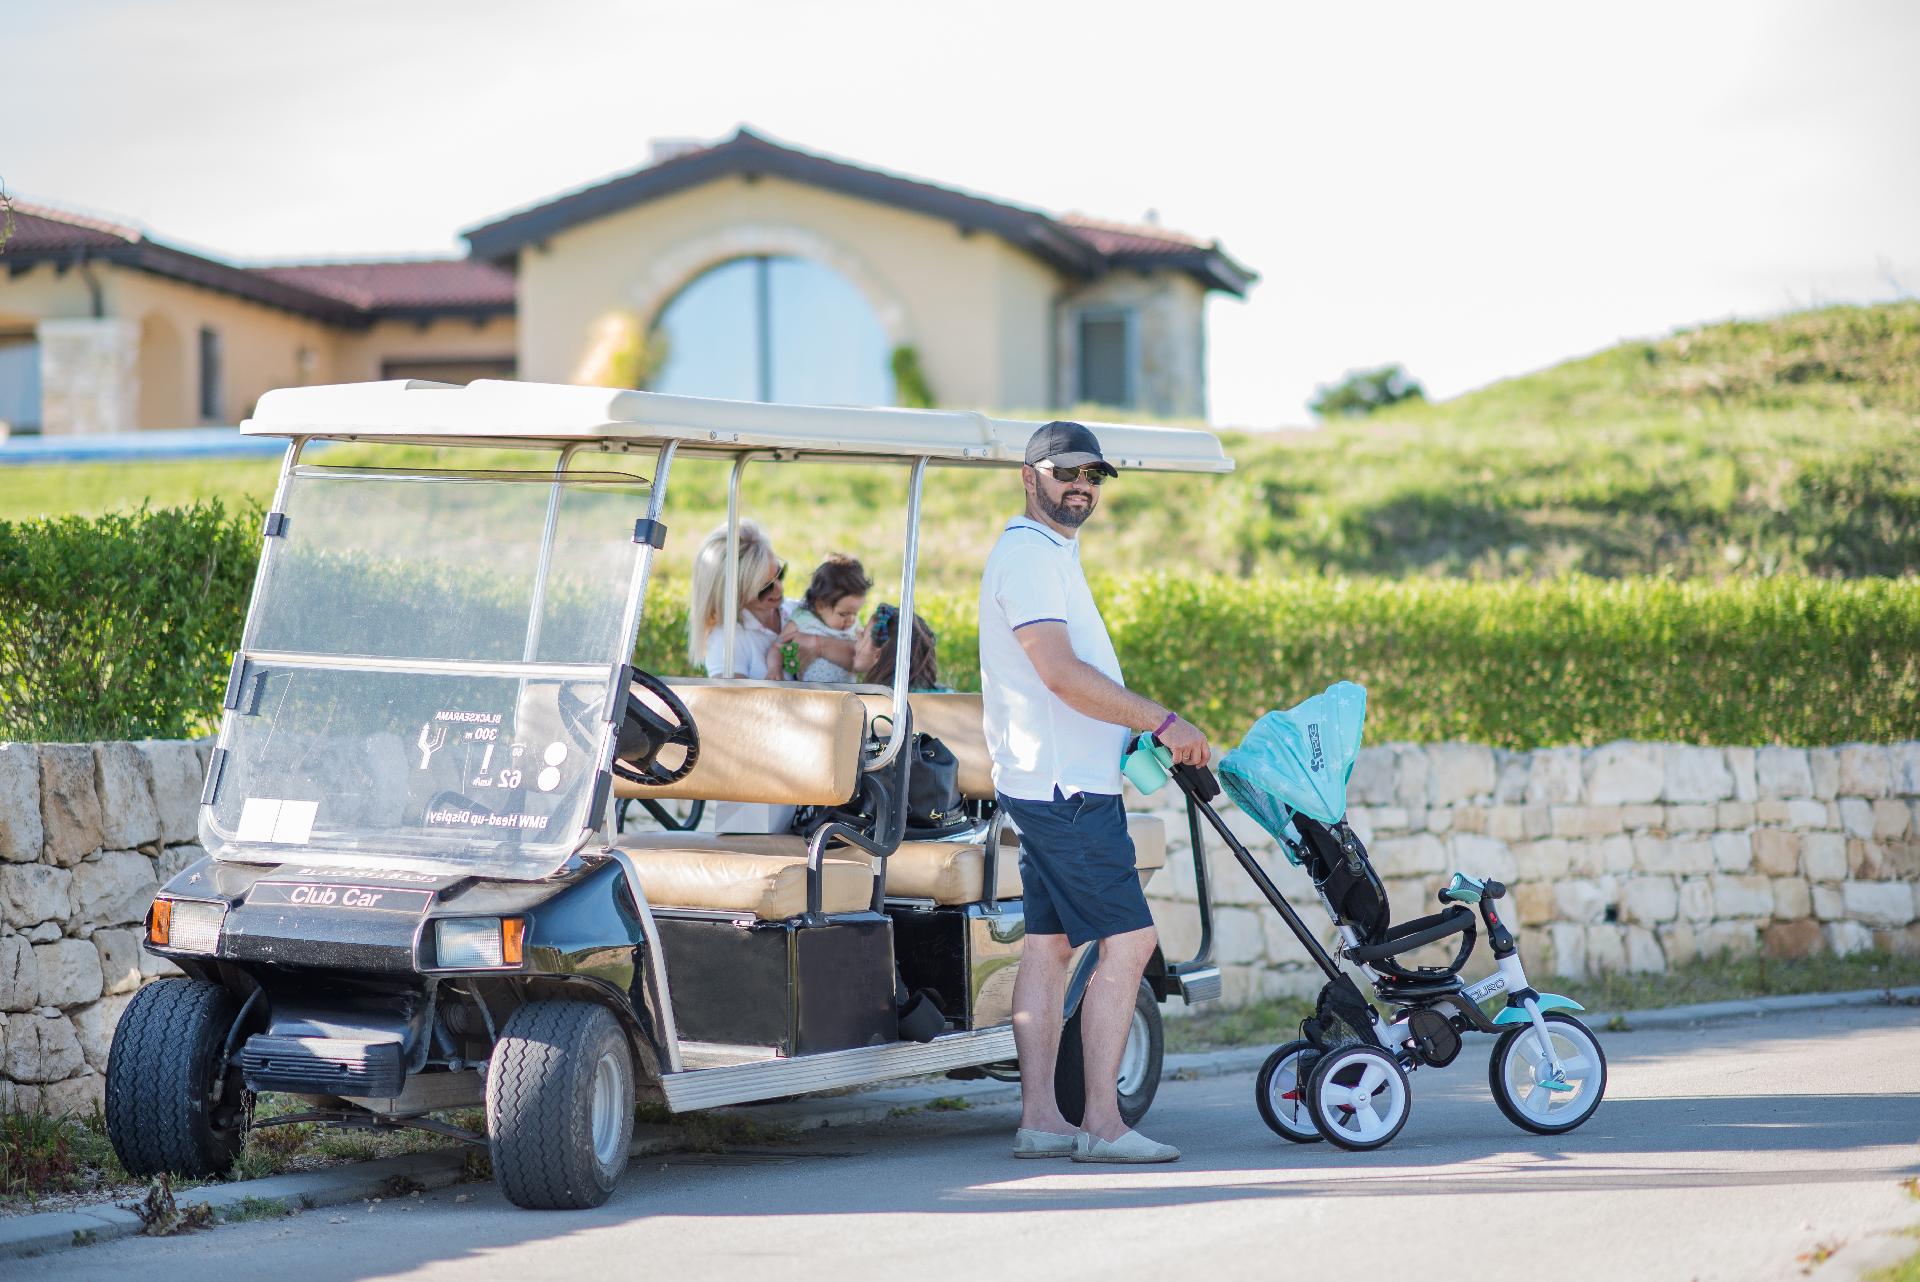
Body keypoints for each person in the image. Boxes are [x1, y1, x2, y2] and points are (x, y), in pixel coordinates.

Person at [979, 421, 1210, 1165]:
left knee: (1048, 947)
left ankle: (1042, 1120)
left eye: (1094, 475)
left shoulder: (1050, 554)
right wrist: (1164, 720)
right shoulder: (1029, 557)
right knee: (1132, 942)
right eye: (1066, 470)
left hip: (1051, 782)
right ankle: (1102, 1125)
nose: (1081, 483)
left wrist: (1129, 738)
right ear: (1030, 475)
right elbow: (1060, 675)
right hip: (1064, 791)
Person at [686, 519, 856, 832]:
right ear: (735, 593)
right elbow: (733, 714)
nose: (777, 590)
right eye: (764, 588)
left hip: (823, 749)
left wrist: (818, 646)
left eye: (779, 574)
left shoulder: (799, 612)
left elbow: (856, 656)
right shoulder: (728, 639)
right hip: (768, 771)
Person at [790, 555, 872, 683]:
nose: (851, 620)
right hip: (810, 691)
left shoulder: (854, 626)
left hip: (847, 692)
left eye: (855, 614)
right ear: (820, 606)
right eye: (843, 614)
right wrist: (775, 668)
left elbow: (865, 654)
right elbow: (779, 644)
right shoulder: (805, 619)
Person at [853, 603, 948, 692]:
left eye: (863, 634)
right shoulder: (941, 694)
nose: (856, 634)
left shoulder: (881, 702)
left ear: (877, 655)